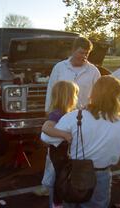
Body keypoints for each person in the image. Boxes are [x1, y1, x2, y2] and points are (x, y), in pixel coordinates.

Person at [42, 76, 120, 208]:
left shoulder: (74, 116)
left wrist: (66, 135)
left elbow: (46, 138)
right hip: (100, 177)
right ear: (117, 97)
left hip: (74, 173)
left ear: (93, 93)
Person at [38, 80, 79, 208]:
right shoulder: (57, 113)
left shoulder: (66, 112)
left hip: (62, 153)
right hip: (59, 154)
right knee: (60, 178)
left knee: (63, 177)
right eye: (75, 94)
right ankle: (57, 203)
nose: (77, 97)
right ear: (69, 97)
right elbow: (46, 127)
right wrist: (65, 135)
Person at [45, 37, 101, 111]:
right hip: (62, 114)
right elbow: (51, 90)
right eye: (81, 53)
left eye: (87, 53)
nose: (84, 56)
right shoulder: (59, 67)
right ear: (73, 51)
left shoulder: (94, 71)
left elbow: (99, 95)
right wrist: (47, 110)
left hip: (84, 115)